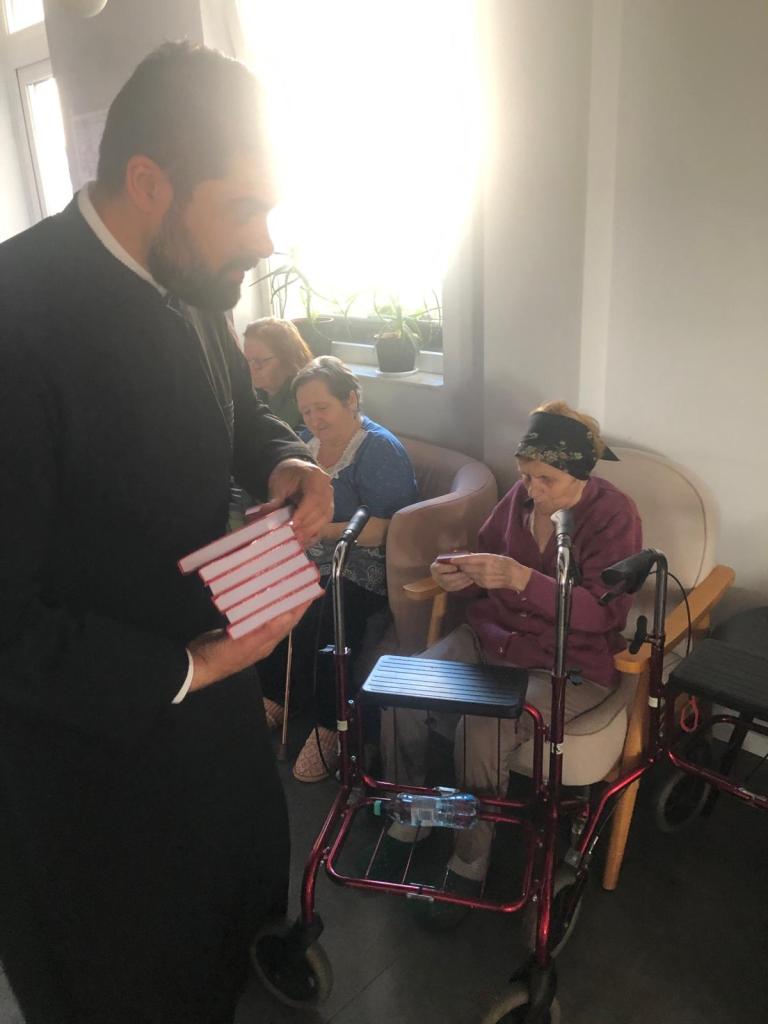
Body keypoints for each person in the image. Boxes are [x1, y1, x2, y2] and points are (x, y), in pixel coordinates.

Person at [0, 42, 333, 1024]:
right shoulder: (16, 324)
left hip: (214, 702)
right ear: (149, 183)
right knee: (134, 976)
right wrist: (190, 664)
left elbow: (238, 412)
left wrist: (288, 461)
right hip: (85, 762)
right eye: (245, 208)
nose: (265, 241)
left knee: (230, 915)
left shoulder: (190, 278)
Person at [380, 401, 642, 921]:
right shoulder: (517, 499)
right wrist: (456, 573)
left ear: (580, 473)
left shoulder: (614, 515)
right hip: (491, 638)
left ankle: (470, 858)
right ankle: (414, 813)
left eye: (547, 479)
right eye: (525, 475)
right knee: (404, 689)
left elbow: (602, 612)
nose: (532, 489)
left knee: (486, 723)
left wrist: (523, 579)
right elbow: (483, 563)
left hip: (566, 661)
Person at [259, 356, 419, 782]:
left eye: (322, 408)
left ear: (350, 400)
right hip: (314, 552)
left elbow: (389, 528)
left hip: (364, 561)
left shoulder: (378, 450)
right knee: (265, 593)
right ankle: (276, 693)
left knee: (327, 610)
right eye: (306, 411)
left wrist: (318, 530)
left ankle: (332, 725)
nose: (313, 419)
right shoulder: (304, 444)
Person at [243, 316, 313, 430]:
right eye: (247, 360)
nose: (251, 369)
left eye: (259, 362)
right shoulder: (256, 392)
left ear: (288, 358)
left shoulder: (303, 399)